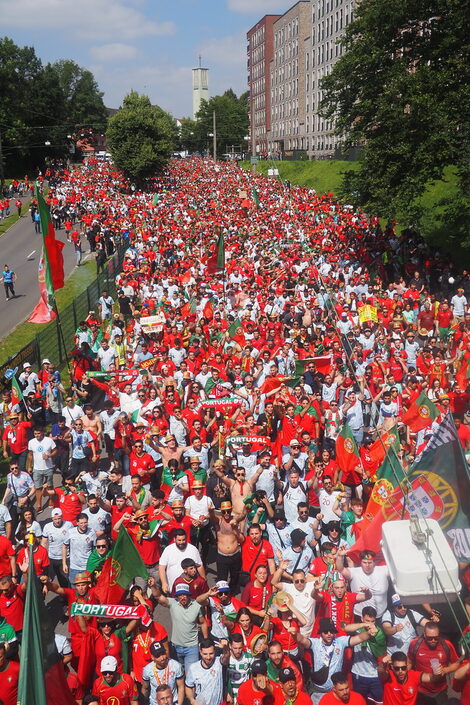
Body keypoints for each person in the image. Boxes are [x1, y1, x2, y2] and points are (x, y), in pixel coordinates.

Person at [295, 617, 376, 704]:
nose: (329, 634)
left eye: (332, 631)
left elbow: (359, 638)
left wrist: (369, 633)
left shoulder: (340, 642)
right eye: (326, 632)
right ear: (321, 633)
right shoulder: (315, 643)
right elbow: (302, 640)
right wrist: (294, 634)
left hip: (335, 693)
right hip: (318, 692)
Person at [150, 580, 216, 672]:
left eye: (185, 595)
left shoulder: (196, 605)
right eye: (180, 595)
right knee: (177, 673)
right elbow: (158, 596)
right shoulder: (173, 603)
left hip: (191, 648)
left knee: (191, 674)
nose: (182, 597)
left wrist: (205, 640)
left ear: (189, 595)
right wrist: (153, 586)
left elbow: (203, 622)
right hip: (175, 647)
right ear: (177, 596)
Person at [408, 622, 460, 704]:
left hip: (440, 690)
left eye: (436, 638)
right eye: (430, 638)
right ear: (424, 634)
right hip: (421, 690)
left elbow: (456, 664)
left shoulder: (446, 645)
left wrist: (445, 670)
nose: (433, 640)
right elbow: (410, 662)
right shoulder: (415, 644)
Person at [378, 652, 443, 705]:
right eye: (397, 668)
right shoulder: (388, 676)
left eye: (403, 668)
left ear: (407, 666)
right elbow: (381, 671)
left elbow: (431, 678)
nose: (400, 671)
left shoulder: (414, 675)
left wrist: (437, 673)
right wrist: (383, 664)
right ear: (392, 667)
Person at [158, 528, 205, 593]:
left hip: (191, 589)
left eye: (183, 540)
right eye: (179, 540)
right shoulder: (168, 550)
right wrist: (164, 583)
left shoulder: (193, 549)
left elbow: (199, 566)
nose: (181, 542)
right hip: (173, 588)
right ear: (174, 539)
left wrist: (204, 581)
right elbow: (161, 567)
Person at [185, 638, 229, 705]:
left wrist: (225, 648)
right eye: (205, 654)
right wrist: (192, 700)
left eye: (211, 653)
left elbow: (226, 656)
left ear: (215, 651)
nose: (208, 657)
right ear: (200, 652)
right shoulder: (193, 668)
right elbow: (188, 687)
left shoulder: (219, 662)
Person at [141, 641, 184, 705]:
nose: (162, 658)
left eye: (163, 653)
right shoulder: (147, 670)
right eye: (158, 656)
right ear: (152, 657)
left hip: (172, 702)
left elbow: (181, 687)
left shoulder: (176, 666)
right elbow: (145, 688)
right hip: (155, 703)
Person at [62, 512, 97, 585]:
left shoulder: (92, 532)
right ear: (77, 522)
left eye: (85, 522)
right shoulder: (71, 532)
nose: (83, 525)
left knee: (87, 587)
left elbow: (95, 550)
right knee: (74, 587)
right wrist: (64, 563)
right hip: (74, 567)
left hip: (87, 567)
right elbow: (64, 547)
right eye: (81, 523)